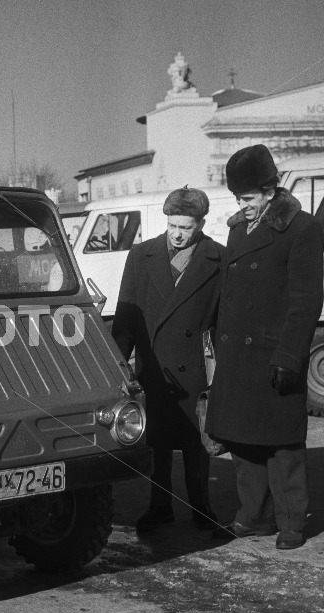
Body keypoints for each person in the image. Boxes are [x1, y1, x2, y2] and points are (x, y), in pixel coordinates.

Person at [206, 144, 324, 550]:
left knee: (283, 444)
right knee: (243, 442)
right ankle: (253, 515)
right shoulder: (238, 229)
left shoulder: (303, 228)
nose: (243, 206)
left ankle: (291, 520)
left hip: (275, 353)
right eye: (238, 198)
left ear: (271, 190)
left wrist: (290, 354)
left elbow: (306, 300)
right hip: (238, 354)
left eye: (249, 198)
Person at [112, 186, 224, 532]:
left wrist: (223, 372)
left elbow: (223, 323)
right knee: (156, 439)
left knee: (196, 440)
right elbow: (126, 318)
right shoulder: (141, 255)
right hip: (154, 367)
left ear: (201, 224)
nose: (177, 234)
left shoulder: (217, 258)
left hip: (193, 366)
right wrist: (117, 364)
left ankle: (201, 506)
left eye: (186, 227)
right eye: (173, 225)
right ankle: (159, 505)